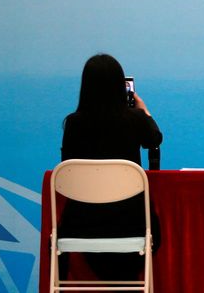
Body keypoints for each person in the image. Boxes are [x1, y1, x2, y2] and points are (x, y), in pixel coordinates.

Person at [59, 54, 162, 281]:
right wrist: (144, 112)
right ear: (120, 87)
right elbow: (154, 139)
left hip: (81, 224)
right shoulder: (134, 119)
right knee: (154, 229)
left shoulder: (74, 123)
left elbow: (66, 165)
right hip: (130, 222)